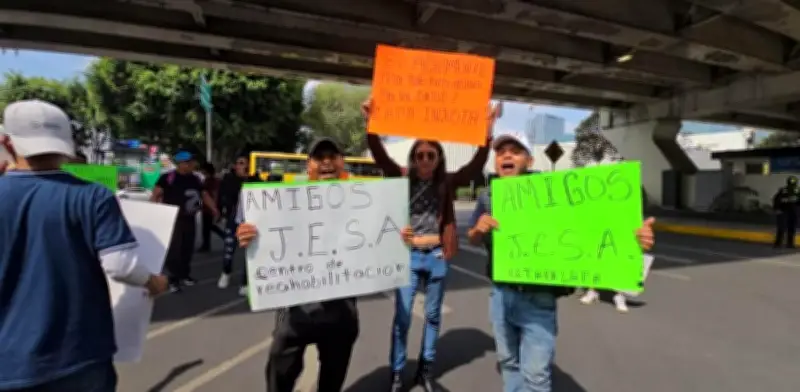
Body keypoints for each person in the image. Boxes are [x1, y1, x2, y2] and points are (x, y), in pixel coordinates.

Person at [0, 100, 169, 392]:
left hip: (8, 362)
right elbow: (121, 265)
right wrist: (154, 282)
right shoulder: (92, 197)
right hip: (78, 353)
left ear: (7, 141)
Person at [466, 132, 655, 392]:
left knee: (535, 376)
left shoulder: (554, 192)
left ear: (530, 161)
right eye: (500, 152)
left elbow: (595, 225)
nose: (506, 155)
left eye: (515, 151)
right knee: (509, 363)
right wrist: (477, 229)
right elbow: (472, 239)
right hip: (501, 296)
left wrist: (635, 237)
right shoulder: (487, 196)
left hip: (539, 299)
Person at [361, 97, 497, 392]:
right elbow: (380, 155)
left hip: (436, 256)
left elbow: (475, 167)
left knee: (433, 317)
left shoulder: (447, 182)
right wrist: (370, 123)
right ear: (413, 158)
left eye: (430, 155)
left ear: (438, 159)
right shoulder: (403, 177)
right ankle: (397, 372)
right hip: (408, 257)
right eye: (419, 155)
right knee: (403, 317)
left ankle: (425, 370)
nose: (424, 160)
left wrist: (486, 133)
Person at [235, 138, 358, 392]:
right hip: (295, 309)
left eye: (332, 156)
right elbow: (264, 236)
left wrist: (400, 238)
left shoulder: (362, 202)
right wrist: (248, 235)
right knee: (279, 376)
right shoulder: (285, 200)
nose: (326, 162)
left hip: (341, 311)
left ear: (342, 163)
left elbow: (381, 239)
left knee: (332, 382)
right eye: (318, 157)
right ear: (308, 165)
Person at [151, 151, 219, 292]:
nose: (192, 165)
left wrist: (213, 208)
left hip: (190, 219)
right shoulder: (168, 178)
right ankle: (173, 279)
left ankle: (184, 275)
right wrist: (153, 213)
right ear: (181, 164)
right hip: (172, 220)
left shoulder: (195, 179)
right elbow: (156, 194)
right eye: (189, 162)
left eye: (192, 162)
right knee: (174, 250)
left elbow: (204, 194)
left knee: (187, 249)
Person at [216, 153, 275, 296]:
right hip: (233, 220)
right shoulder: (229, 180)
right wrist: (221, 213)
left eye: (247, 164)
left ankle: (244, 283)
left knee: (249, 253)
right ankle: (226, 272)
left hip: (250, 222)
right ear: (236, 166)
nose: (245, 166)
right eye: (241, 163)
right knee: (228, 251)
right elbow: (221, 197)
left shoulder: (255, 180)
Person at [199, 162, 225, 252]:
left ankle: (206, 245)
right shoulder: (217, 181)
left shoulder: (208, 182)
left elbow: (210, 194)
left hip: (208, 207)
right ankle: (207, 244)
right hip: (212, 206)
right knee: (209, 226)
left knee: (207, 227)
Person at [773, 176, 799, 248]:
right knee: (782, 228)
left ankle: (790, 243)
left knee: (792, 228)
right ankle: (778, 243)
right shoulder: (783, 190)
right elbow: (776, 200)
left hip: (793, 212)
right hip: (784, 212)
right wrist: (777, 209)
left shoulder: (798, 191)